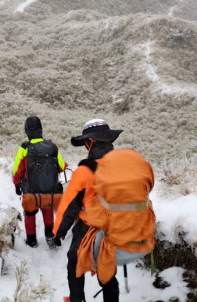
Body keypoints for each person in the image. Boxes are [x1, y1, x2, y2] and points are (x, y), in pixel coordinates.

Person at [53, 119, 123, 302]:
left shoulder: (84, 172)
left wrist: (59, 231)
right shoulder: (123, 167)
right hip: (115, 227)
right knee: (107, 271)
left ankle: (76, 299)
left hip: (88, 227)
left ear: (90, 143)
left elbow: (70, 205)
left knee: (74, 263)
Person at [12, 116, 66, 249]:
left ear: (27, 130)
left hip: (30, 191)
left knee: (29, 215)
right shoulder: (52, 146)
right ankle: (50, 238)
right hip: (48, 190)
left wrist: (17, 184)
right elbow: (62, 166)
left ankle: (31, 241)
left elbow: (17, 169)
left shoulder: (25, 147)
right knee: (47, 211)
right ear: (41, 129)